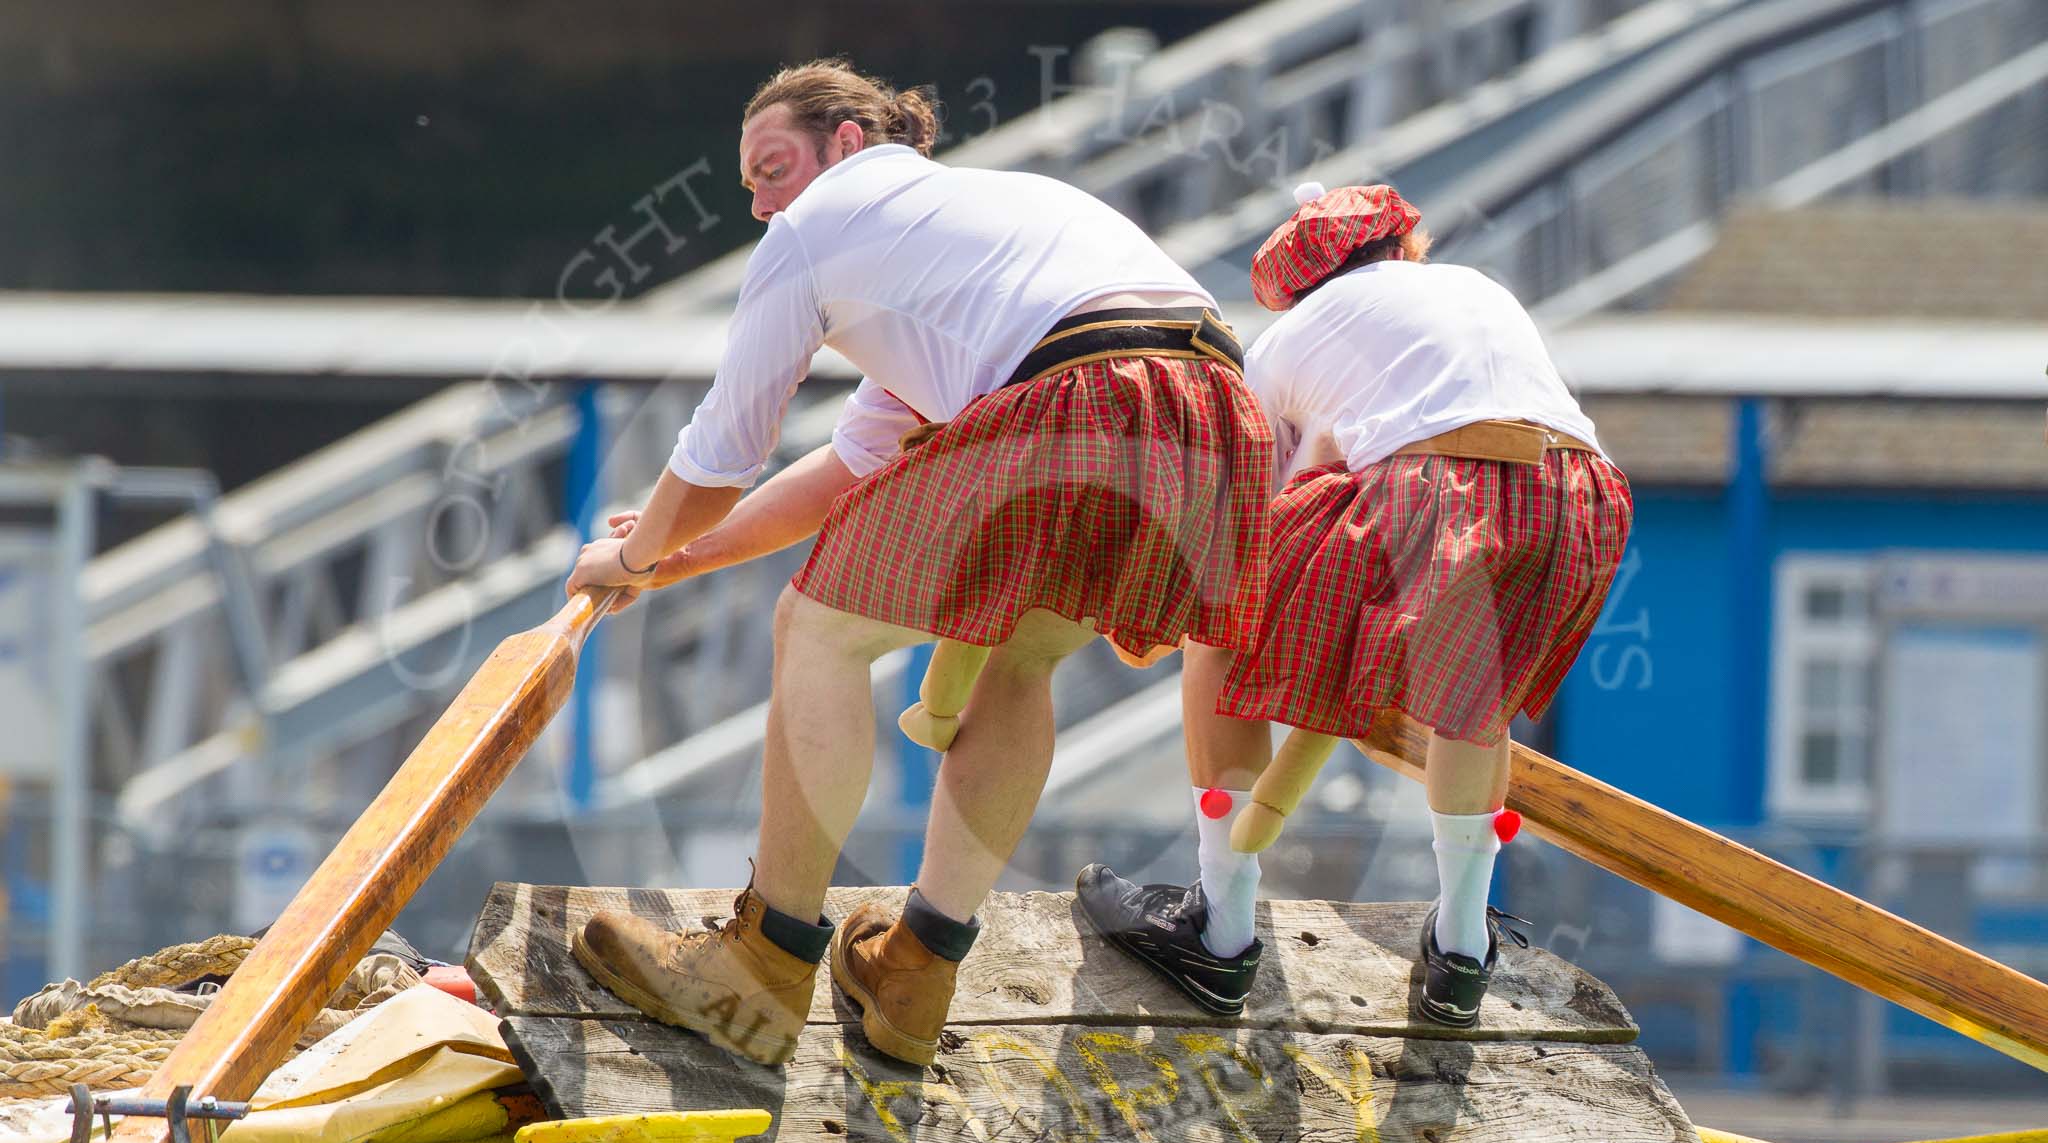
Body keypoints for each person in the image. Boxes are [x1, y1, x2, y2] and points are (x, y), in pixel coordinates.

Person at [561, 60, 1270, 1067]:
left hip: (1081, 383)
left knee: (817, 632)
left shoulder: (824, 224)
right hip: (1205, 408)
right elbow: (851, 464)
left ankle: (763, 961)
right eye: (748, 186)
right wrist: (681, 560)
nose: (760, 203)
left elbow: (721, 453)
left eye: (772, 168)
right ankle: (915, 969)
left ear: (849, 144)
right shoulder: (968, 239)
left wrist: (630, 553)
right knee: (1023, 659)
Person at [1076, 182, 1633, 1027]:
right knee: (1475, 701)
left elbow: (1241, 518)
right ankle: (1460, 946)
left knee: (1219, 626)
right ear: (1404, 245)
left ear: (1294, 283)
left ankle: (1218, 927)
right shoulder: (1480, 287)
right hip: (1581, 495)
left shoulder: (1287, 338)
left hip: (1436, 481)